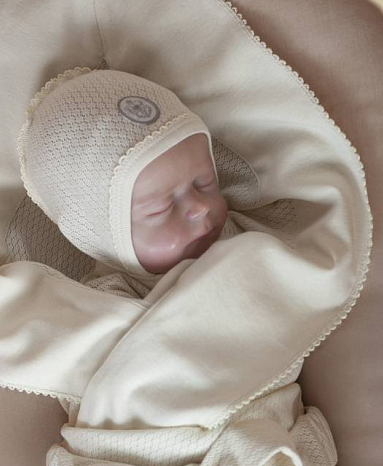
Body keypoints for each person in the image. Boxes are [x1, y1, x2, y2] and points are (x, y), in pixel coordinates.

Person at [17, 66, 241, 299]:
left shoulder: (241, 230)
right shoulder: (110, 301)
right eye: (161, 208)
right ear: (102, 237)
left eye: (204, 183)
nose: (201, 207)